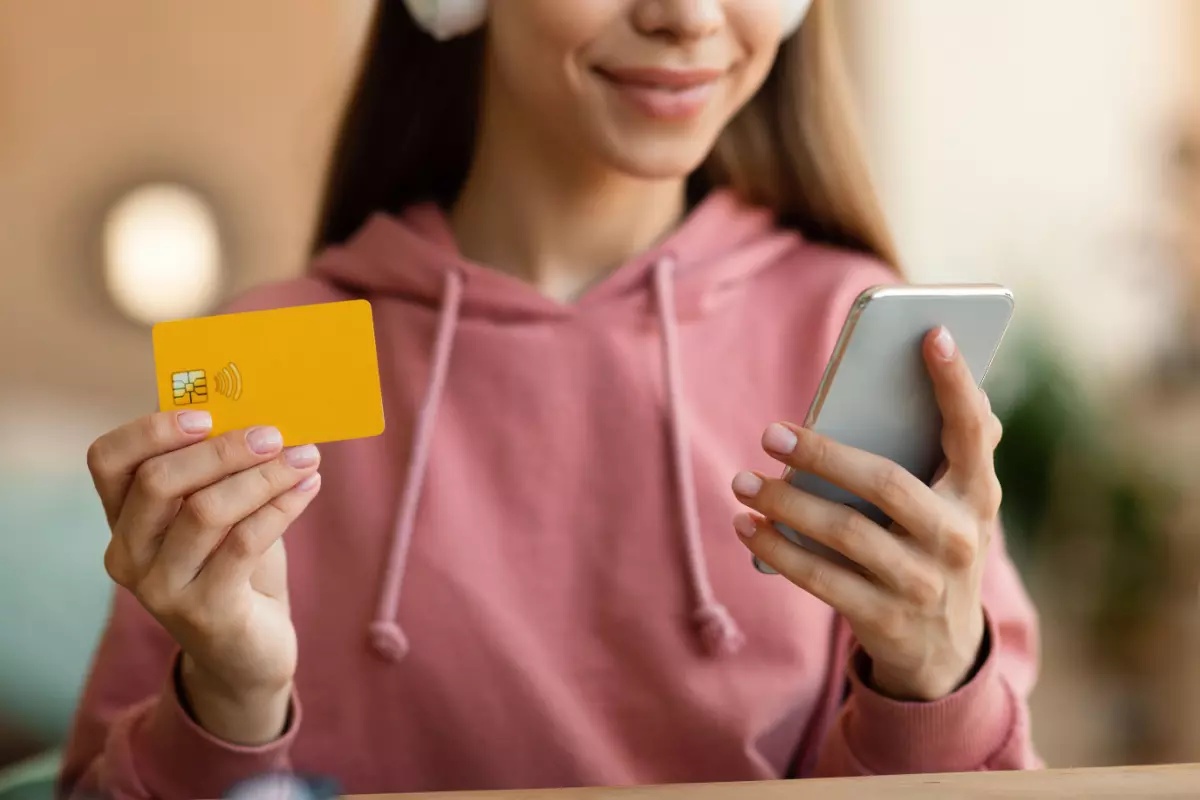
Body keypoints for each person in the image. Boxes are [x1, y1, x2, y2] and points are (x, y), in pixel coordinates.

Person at [60, 1, 1041, 797]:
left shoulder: (840, 325)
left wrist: (934, 681)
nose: (688, 17)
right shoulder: (273, 347)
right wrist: (225, 702)